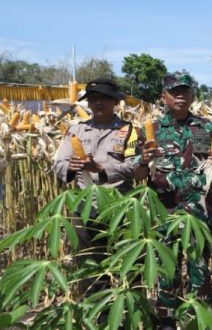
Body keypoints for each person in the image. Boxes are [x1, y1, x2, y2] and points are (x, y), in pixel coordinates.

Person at [136, 72, 212, 330]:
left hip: (199, 210)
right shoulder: (150, 130)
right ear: (163, 97)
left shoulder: (207, 127)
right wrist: (143, 159)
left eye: (185, 91)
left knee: (199, 266)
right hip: (163, 212)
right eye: (174, 91)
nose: (180, 96)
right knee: (167, 266)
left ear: (192, 95)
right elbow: (138, 174)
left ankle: (200, 316)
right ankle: (167, 318)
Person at [53, 78, 138, 293]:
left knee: (130, 268)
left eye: (105, 98)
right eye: (93, 99)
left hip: (121, 207)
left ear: (115, 102)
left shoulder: (129, 131)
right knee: (90, 270)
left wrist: (100, 168)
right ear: (88, 103)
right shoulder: (76, 131)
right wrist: (71, 167)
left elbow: (134, 167)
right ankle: (97, 310)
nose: (98, 103)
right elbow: (59, 164)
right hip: (86, 208)